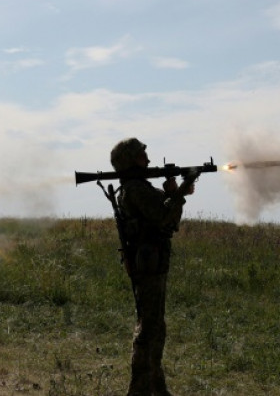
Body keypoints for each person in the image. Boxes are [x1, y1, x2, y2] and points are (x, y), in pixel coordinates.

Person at [110, 137, 196, 396]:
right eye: (140, 156)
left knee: (156, 326)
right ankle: (138, 390)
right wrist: (180, 190)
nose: (147, 160)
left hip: (153, 262)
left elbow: (170, 220)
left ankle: (157, 388)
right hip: (147, 263)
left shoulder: (140, 188)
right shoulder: (135, 190)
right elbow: (161, 215)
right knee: (149, 328)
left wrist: (176, 192)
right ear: (129, 161)